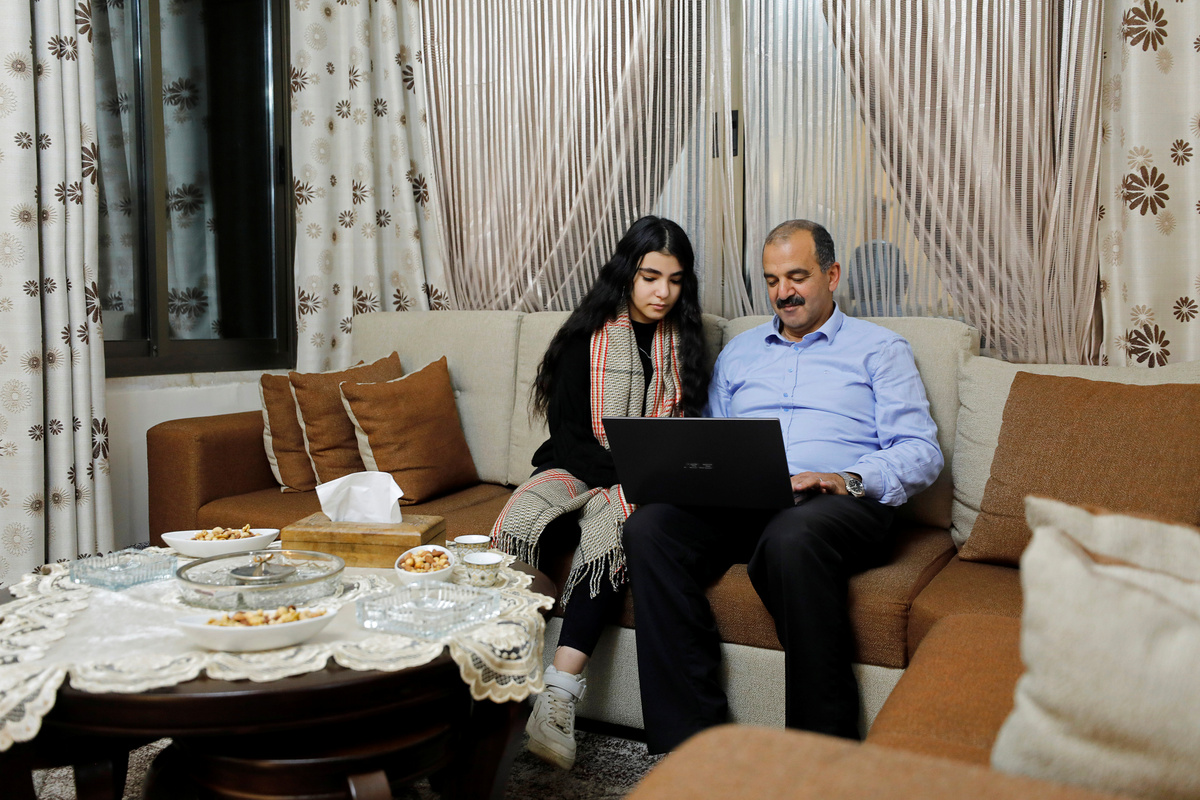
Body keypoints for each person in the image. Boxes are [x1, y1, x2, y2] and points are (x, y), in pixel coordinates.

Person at [622, 219, 943, 754]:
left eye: (797, 276)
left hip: (837, 503)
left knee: (790, 538)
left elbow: (921, 451)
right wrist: (691, 471)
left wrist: (844, 478)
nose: (783, 292)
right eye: (772, 280)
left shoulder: (880, 349)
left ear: (831, 275)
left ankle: (820, 751)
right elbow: (714, 439)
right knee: (649, 528)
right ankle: (691, 741)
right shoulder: (741, 352)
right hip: (748, 500)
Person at [491, 215, 710, 769]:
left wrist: (637, 477)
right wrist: (625, 470)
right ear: (626, 273)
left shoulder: (685, 342)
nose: (663, 293)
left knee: (612, 533)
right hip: (574, 466)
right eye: (650, 277)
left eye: (675, 280)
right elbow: (568, 438)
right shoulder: (584, 336)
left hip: (641, 483)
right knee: (523, 521)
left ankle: (558, 698)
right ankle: (493, 682)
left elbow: (685, 432)